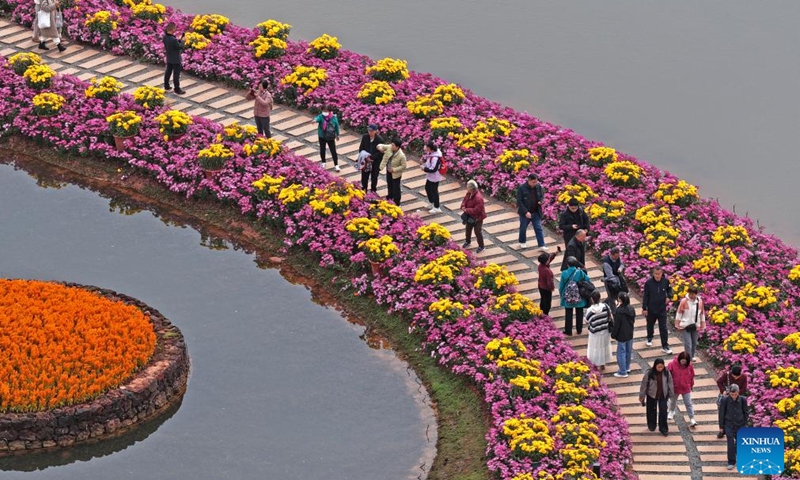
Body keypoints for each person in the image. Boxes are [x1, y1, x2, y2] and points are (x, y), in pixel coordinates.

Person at [638, 358, 674, 436]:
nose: (660, 368)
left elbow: (670, 383)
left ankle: (663, 428)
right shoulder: (649, 373)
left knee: (663, 411)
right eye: (659, 367)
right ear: (655, 366)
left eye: (662, 367)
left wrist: (671, 395)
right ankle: (651, 425)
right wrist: (642, 396)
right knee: (651, 411)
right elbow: (644, 385)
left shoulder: (667, 373)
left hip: (663, 395)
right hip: (651, 395)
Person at [642, 266, 673, 354]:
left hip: (662, 309)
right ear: (653, 274)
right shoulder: (648, 283)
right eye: (656, 274)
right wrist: (644, 308)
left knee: (663, 327)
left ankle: (665, 346)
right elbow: (646, 296)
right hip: (651, 309)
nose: (657, 276)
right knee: (650, 324)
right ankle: (649, 337)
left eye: (659, 274)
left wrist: (669, 297)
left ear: (662, 273)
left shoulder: (666, 281)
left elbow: (670, 290)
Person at [719, 384, 749, 470]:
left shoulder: (743, 400)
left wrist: (745, 423)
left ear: (738, 392)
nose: (734, 396)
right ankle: (731, 461)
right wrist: (721, 426)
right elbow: (721, 413)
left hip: (740, 424)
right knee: (730, 441)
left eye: (735, 394)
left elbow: (745, 412)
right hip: (729, 424)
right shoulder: (725, 400)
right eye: (732, 395)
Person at [515, 174, 547, 251]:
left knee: (538, 228)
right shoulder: (522, 188)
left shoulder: (538, 186)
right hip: (525, 213)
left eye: (536, 182)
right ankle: (522, 241)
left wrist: (541, 201)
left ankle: (541, 245)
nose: (535, 183)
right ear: (529, 180)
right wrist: (525, 212)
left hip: (536, 211)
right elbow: (519, 201)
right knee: (523, 228)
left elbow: (542, 196)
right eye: (533, 182)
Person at [715, 364, 748, 438]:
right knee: (722, 413)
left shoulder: (744, 377)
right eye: (734, 376)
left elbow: (744, 388)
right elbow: (719, 382)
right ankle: (722, 430)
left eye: (737, 376)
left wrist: (735, 394)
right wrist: (723, 390)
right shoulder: (727, 375)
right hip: (726, 396)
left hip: (737, 398)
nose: (735, 378)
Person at [559, 256, 589, 336]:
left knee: (568, 314)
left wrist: (561, 294)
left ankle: (568, 331)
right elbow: (587, 279)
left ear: (567, 264)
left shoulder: (564, 273)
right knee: (579, 313)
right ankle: (579, 330)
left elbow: (561, 286)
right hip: (579, 296)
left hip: (568, 296)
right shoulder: (580, 272)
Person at [674, 285, 705, 361]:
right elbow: (679, 313)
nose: (691, 295)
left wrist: (702, 324)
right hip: (685, 325)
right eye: (690, 294)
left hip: (695, 325)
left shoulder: (700, 302)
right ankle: (688, 358)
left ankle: (692, 355)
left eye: (693, 294)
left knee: (694, 342)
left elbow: (702, 313)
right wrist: (677, 324)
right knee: (688, 343)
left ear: (696, 294)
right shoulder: (684, 301)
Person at [667, 351, 696, 427]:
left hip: (686, 387)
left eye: (685, 361)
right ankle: (671, 411)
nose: (683, 363)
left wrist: (691, 385)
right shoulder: (671, 365)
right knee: (673, 401)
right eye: (682, 361)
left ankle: (692, 418)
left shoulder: (689, 365)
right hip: (675, 387)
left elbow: (691, 376)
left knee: (688, 403)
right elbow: (667, 376)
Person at [585, 291, 612, 370]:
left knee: (595, 348)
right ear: (600, 298)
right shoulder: (605, 306)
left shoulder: (590, 310)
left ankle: (595, 363)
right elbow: (610, 316)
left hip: (594, 332)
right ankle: (602, 364)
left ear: (592, 299)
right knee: (603, 346)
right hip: (605, 330)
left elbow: (586, 320)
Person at [611, 292, 635, 378]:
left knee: (621, 352)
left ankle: (622, 371)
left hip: (621, 334)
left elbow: (617, 324)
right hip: (630, 333)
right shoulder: (631, 308)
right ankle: (627, 367)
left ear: (620, 300)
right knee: (628, 351)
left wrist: (613, 334)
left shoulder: (619, 311)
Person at [377, 139, 406, 205]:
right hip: (388, 171)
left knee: (396, 188)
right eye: (392, 144)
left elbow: (404, 166)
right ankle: (390, 198)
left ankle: (397, 202)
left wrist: (394, 169)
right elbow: (380, 145)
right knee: (389, 185)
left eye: (393, 145)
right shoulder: (390, 147)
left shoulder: (401, 155)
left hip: (396, 174)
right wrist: (380, 147)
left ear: (397, 147)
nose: (391, 146)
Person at [355, 124, 384, 192]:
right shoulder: (365, 137)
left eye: (371, 131)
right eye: (369, 130)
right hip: (365, 160)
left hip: (375, 162)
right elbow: (361, 148)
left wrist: (371, 157)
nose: (369, 132)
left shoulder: (379, 140)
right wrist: (366, 157)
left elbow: (380, 153)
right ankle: (364, 189)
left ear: (375, 131)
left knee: (374, 177)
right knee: (364, 176)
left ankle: (373, 190)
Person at [460, 180, 486, 253]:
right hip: (470, 216)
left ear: (471, 188)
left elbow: (477, 210)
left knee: (478, 232)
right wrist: (463, 206)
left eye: (467, 187)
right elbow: (464, 201)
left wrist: (466, 210)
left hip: (478, 218)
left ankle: (481, 246)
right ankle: (467, 242)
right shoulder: (469, 193)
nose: (466, 188)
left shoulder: (478, 198)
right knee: (468, 230)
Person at [602, 246, 626, 315]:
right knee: (612, 297)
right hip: (610, 282)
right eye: (615, 257)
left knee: (614, 296)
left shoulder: (618, 257)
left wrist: (620, 268)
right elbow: (610, 276)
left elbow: (622, 264)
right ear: (612, 255)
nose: (617, 258)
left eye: (618, 256)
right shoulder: (606, 263)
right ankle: (614, 313)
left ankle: (603, 305)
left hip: (617, 279)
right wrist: (617, 281)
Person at [421, 141, 443, 213]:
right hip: (430, 176)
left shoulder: (435, 158)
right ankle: (431, 203)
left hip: (434, 177)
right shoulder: (432, 154)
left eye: (426, 146)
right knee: (427, 188)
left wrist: (424, 169)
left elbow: (433, 169)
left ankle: (437, 207)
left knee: (434, 191)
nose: (425, 147)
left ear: (430, 148)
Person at [537, 247, 560, 315]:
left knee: (543, 299)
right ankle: (545, 314)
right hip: (546, 288)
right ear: (546, 261)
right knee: (547, 302)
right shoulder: (548, 272)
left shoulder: (540, 266)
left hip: (540, 286)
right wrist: (552, 288)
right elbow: (550, 282)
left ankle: (541, 311)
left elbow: (549, 259)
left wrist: (555, 253)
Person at [163, 23, 185, 95]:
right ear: (172, 30)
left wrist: (178, 40)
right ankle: (177, 89)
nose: (175, 29)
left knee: (168, 72)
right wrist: (182, 41)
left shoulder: (165, 37)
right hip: (176, 59)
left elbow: (173, 45)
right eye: (175, 28)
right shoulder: (173, 39)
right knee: (176, 74)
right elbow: (180, 47)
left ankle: (166, 85)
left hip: (169, 58)